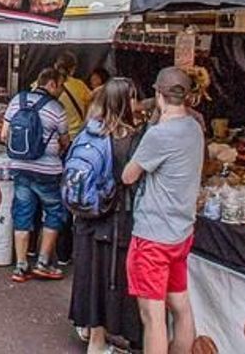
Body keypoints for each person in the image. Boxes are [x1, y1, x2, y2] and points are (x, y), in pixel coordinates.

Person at [121, 67, 205, 354]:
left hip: (153, 236)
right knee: (180, 307)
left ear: (159, 95)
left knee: (153, 317)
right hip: (181, 233)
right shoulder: (195, 128)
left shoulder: (160, 135)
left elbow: (128, 176)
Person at [69, 78, 144, 354]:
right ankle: (103, 343)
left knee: (91, 277)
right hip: (115, 219)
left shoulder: (90, 132)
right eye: (135, 98)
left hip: (87, 216)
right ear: (126, 102)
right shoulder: (131, 139)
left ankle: (94, 337)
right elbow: (134, 180)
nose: (138, 104)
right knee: (110, 279)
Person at [8, 68, 72, 282]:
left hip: (20, 167)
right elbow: (65, 141)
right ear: (52, 84)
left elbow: (3, 133)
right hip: (47, 172)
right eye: (61, 84)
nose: (62, 89)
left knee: (22, 214)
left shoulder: (18, 99)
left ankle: (20, 266)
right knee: (54, 212)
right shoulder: (57, 108)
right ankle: (43, 263)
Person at [55, 51, 94, 138]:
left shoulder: (43, 84)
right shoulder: (79, 85)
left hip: (53, 136)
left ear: (55, 65)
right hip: (75, 134)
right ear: (73, 68)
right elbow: (91, 104)